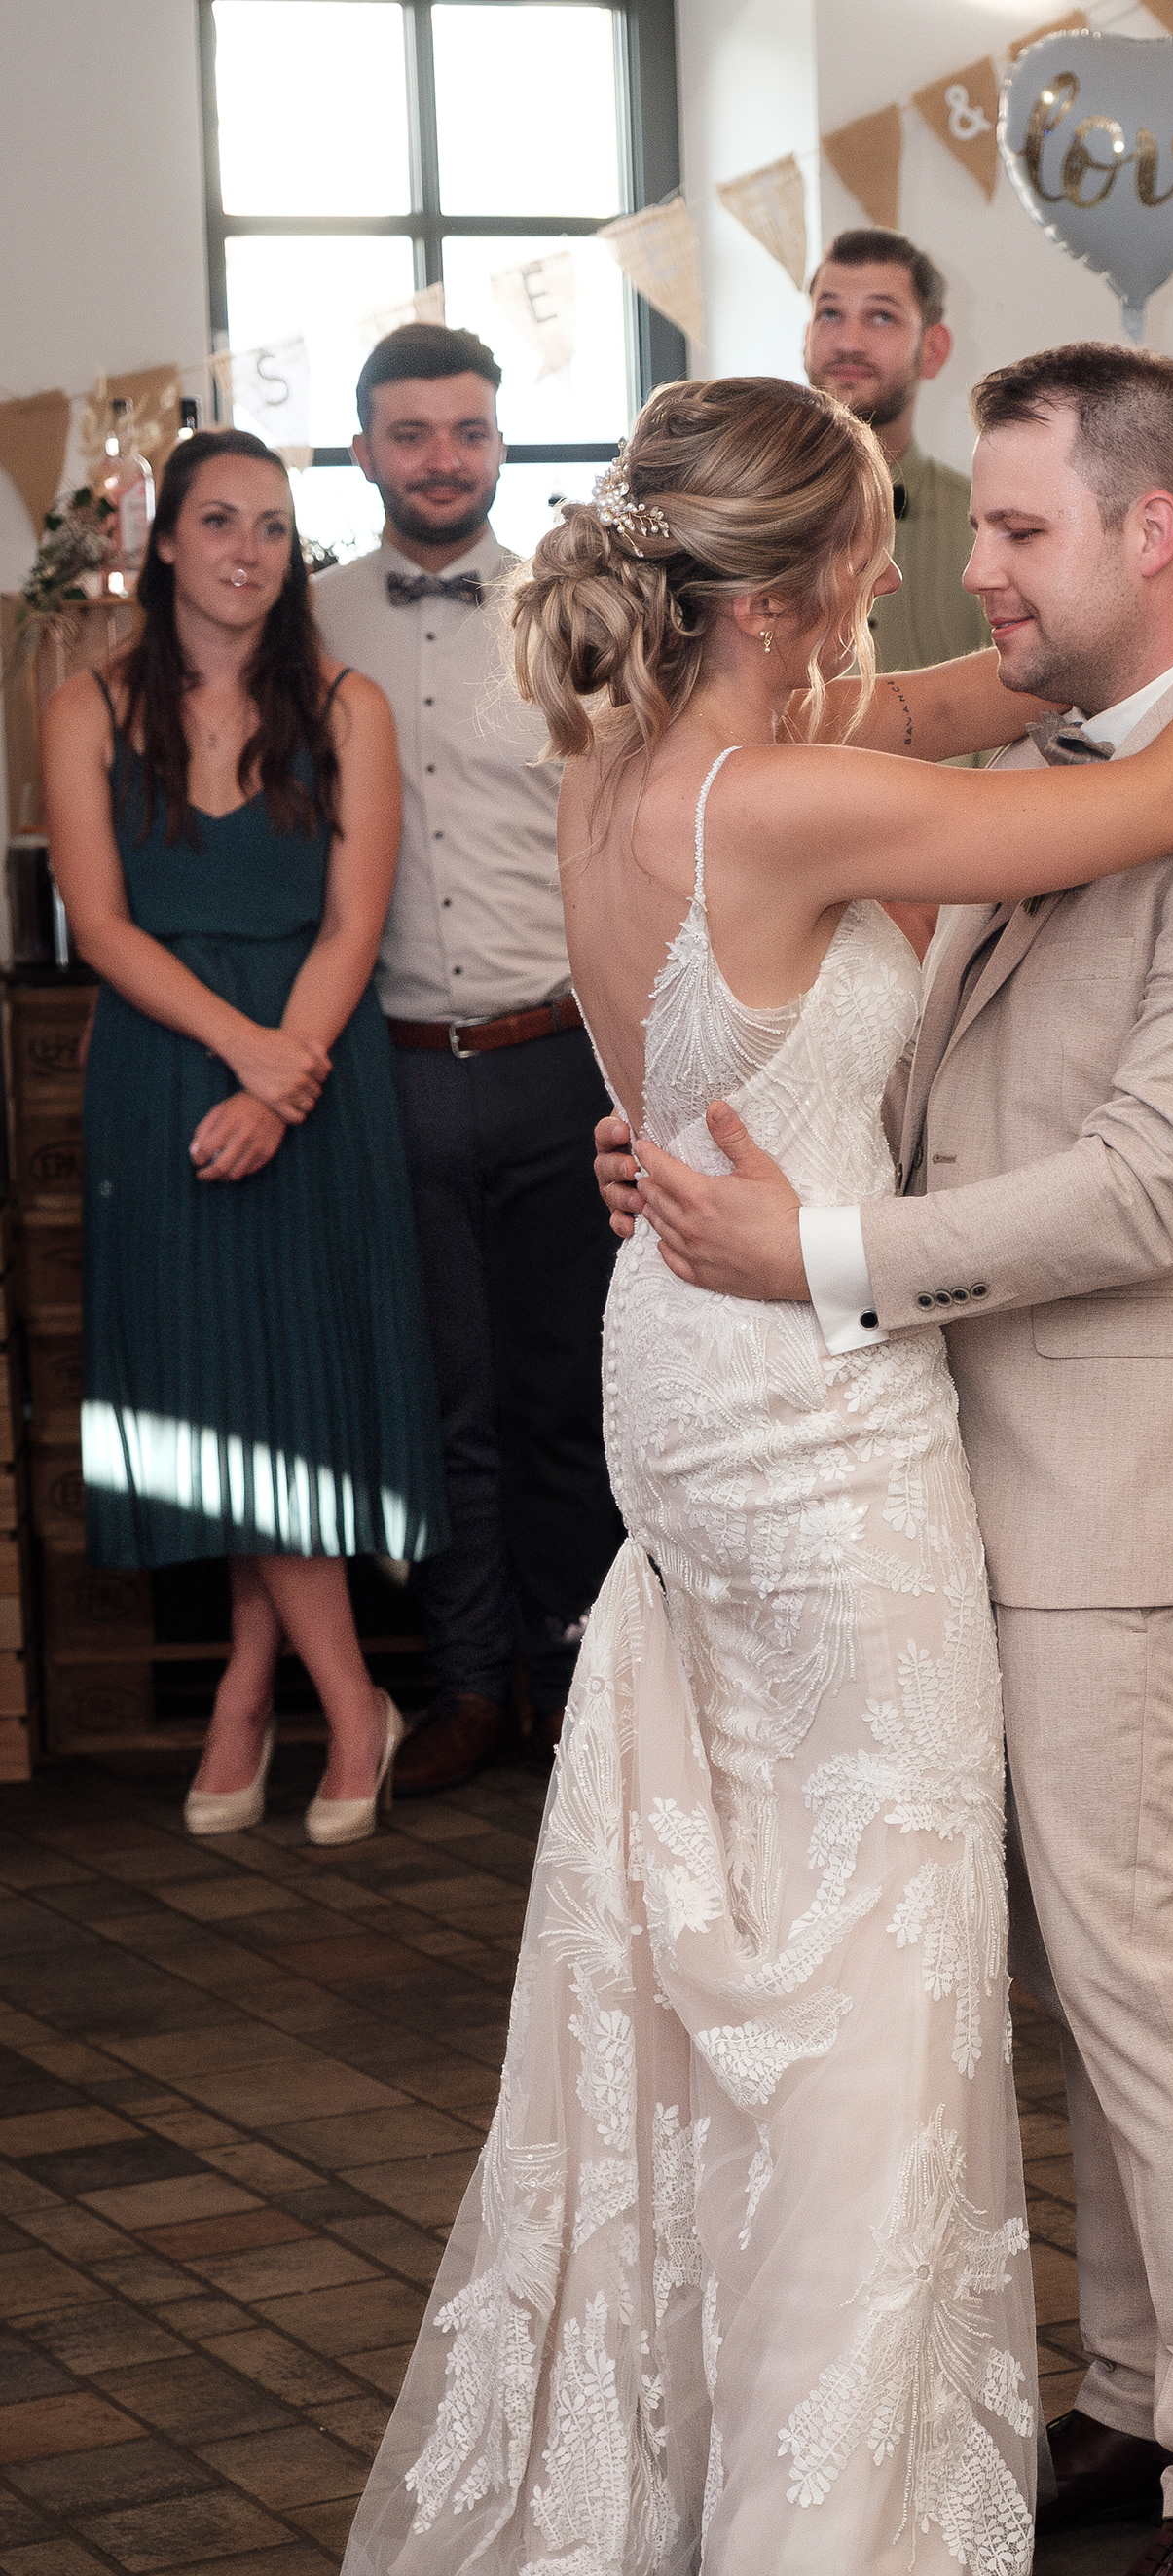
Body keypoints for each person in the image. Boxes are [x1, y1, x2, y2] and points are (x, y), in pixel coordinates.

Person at [337, 370, 1173, 2576]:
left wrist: (743, 1175)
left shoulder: (664, 759)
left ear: (1148, 532)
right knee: (888, 1966)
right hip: (823, 1406)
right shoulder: (801, 781)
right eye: (919, 536)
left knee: (1060, 1961)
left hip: (869, 1396)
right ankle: (1024, 2448)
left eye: (1010, 530)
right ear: (791, 588)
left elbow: (1151, 1172)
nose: (955, 579)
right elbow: (1136, 781)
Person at [42, 428, 445, 1846]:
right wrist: (242, 1055)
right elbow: (100, 926)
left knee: (291, 1393)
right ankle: (322, 1697)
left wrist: (282, 1084)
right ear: (165, 542)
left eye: (274, 527)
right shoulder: (87, 707)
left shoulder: (348, 707)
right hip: (167, 1068)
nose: (248, 552)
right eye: (219, 522)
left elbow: (354, 923)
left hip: (317, 1067)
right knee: (212, 1388)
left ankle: (271, 1697)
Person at [316, 323, 621, 1794]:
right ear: (363, 449)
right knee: (441, 1399)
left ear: (501, 443)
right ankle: (464, 1683)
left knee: (571, 1390)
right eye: (412, 433)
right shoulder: (310, 623)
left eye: (470, 432)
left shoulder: (575, 615)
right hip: (386, 1071)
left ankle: (578, 1686)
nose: (444, 459)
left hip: (556, 1053)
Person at [805, 230, 990, 673]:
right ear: (805, 337)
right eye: (829, 313)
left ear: (932, 349)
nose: (848, 342)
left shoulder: (995, 526)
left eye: (881, 317)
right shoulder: (742, 511)